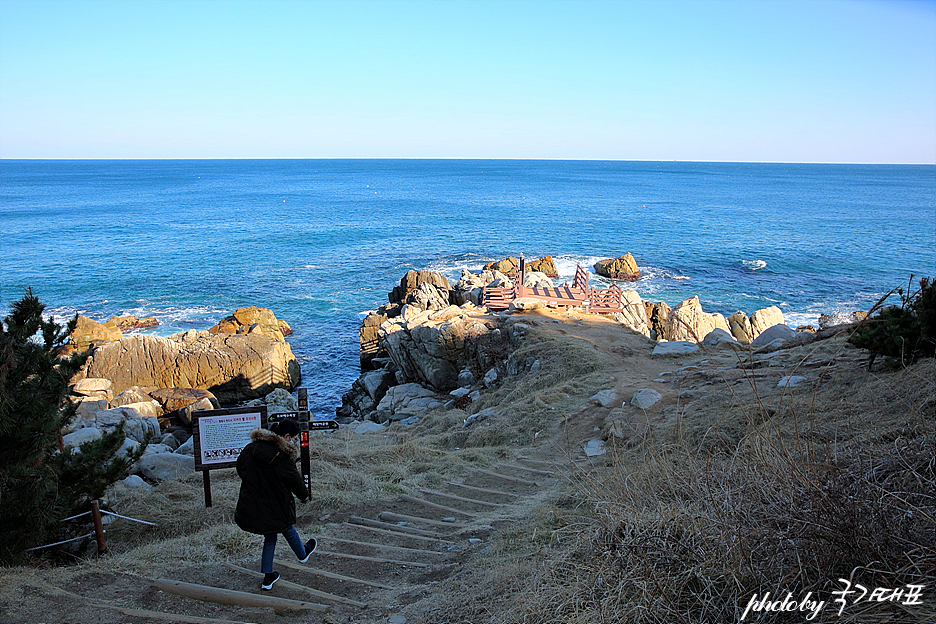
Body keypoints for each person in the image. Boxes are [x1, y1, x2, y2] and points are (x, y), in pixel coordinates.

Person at [235, 419, 316, 590]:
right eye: (294, 438)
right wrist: (304, 496)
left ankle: (268, 577)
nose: (294, 441)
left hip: (253, 502)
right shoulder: (283, 456)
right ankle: (302, 554)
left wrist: (253, 483)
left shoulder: (252, 448)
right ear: (286, 436)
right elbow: (295, 481)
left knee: (271, 535)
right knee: (286, 525)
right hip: (276, 502)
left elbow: (240, 466)